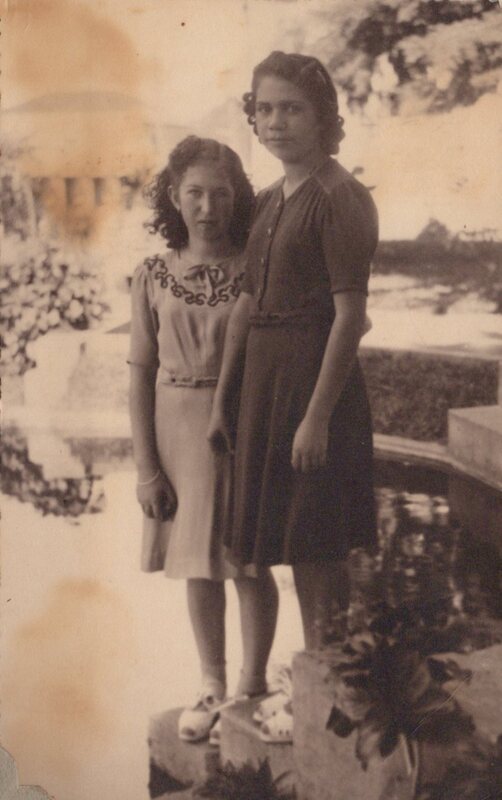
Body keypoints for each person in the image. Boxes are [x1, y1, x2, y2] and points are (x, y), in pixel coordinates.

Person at [208, 52, 378, 741]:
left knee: (317, 547)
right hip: (263, 387)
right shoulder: (271, 199)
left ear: (323, 116)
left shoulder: (340, 197)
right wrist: (225, 400)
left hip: (313, 390)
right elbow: (248, 302)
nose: (275, 122)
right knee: (275, 541)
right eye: (265, 109)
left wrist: (317, 417)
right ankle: (313, 696)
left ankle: (326, 704)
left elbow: (350, 317)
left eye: (292, 109)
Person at [128, 136, 279, 744]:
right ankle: (211, 685)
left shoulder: (257, 267)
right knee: (198, 560)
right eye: (194, 193)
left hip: (242, 421)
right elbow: (140, 372)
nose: (208, 207)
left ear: (238, 198)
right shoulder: (153, 274)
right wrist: (146, 468)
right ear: (174, 196)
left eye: (221, 194)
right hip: (176, 426)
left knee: (248, 558)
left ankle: (252, 685)